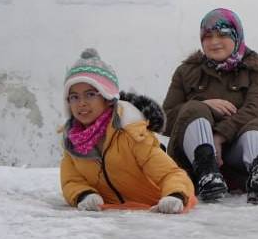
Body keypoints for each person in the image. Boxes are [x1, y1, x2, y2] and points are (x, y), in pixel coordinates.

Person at [163, 8, 258, 205]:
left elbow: (257, 108)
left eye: (222, 34)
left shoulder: (255, 70)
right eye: (208, 36)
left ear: (236, 35)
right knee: (194, 109)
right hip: (193, 162)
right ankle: (206, 171)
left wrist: (220, 135)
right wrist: (203, 105)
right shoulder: (186, 71)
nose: (214, 42)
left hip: (236, 156)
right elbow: (166, 119)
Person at [60, 49, 194, 213]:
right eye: (74, 97)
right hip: (114, 218)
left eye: (90, 94)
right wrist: (84, 195)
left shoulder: (132, 134)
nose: (81, 103)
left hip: (157, 213)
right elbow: (71, 181)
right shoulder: (73, 142)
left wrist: (175, 195)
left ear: (108, 98)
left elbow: (171, 174)